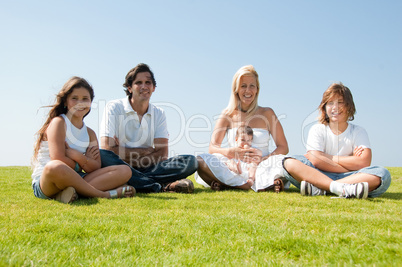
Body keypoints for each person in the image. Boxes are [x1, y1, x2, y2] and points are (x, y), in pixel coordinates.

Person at [31, 77, 135, 204]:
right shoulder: (59, 123)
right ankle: (105, 194)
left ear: (91, 102)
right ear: (65, 102)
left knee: (125, 170)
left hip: (78, 178)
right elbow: (58, 159)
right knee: (55, 167)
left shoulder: (90, 133)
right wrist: (84, 161)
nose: (80, 103)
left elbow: (95, 166)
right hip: (48, 180)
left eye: (85, 99)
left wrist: (78, 156)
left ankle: (69, 193)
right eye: (74, 98)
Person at [99, 63, 198, 193]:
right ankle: (158, 186)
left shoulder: (159, 113)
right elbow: (107, 149)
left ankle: (136, 182)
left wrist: (122, 151)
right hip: (122, 167)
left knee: (190, 161)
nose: (144, 86)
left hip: (147, 167)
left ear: (153, 88)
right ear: (129, 88)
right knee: (103, 156)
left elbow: (162, 155)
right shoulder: (114, 107)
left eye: (148, 82)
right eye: (138, 83)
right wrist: (146, 151)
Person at [282, 82, 391, 198]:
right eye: (330, 103)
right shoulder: (317, 129)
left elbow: (364, 162)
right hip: (318, 174)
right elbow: (315, 160)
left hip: (350, 176)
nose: (335, 107)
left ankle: (323, 188)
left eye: (340, 102)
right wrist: (351, 160)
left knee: (382, 174)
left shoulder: (358, 131)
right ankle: (344, 188)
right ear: (324, 107)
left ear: (349, 106)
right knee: (289, 162)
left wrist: (326, 157)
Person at [196, 65, 289, 192]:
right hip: (235, 167)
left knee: (283, 162)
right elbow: (213, 148)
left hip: (262, 166)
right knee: (201, 160)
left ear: (257, 89)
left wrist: (263, 160)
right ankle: (245, 183)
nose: (248, 90)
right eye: (243, 86)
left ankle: (229, 183)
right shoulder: (227, 114)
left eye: (252, 86)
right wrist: (231, 152)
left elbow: (283, 147)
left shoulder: (267, 113)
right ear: (236, 89)